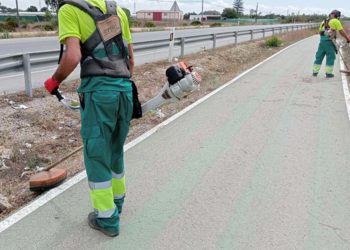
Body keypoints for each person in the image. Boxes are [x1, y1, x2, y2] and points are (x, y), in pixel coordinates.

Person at [44, 0, 134, 237]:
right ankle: (118, 203)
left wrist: (54, 81)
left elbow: (72, 56)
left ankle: (107, 219)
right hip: (125, 89)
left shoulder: (69, 9)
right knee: (115, 149)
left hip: (99, 93)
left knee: (96, 154)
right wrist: (119, 87)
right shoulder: (117, 10)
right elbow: (130, 59)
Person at [312, 10, 350, 78]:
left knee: (319, 56)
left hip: (322, 41)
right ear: (337, 16)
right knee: (331, 56)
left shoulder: (324, 21)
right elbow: (341, 32)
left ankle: (315, 72)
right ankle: (328, 73)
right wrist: (348, 39)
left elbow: (320, 31)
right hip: (329, 41)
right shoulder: (335, 21)